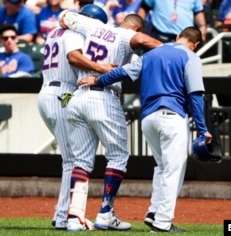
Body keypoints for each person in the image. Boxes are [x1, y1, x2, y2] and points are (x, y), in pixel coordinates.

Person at [78, 26, 213, 233]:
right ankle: (162, 223)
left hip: (148, 118)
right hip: (172, 116)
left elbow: (123, 72)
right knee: (173, 171)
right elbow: (195, 95)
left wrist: (97, 79)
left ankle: (153, 213)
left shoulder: (152, 53)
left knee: (161, 166)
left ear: (177, 37)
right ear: (195, 45)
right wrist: (203, 130)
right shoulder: (191, 56)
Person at [59, 10, 162, 231]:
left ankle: (74, 218)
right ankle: (105, 213)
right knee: (118, 156)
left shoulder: (95, 26)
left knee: (82, 162)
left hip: (77, 97)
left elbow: (64, 16)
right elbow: (143, 41)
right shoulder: (128, 35)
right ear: (136, 28)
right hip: (103, 96)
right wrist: (171, 49)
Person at [37, 5, 114, 230]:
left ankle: (62, 214)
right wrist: (102, 68)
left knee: (70, 157)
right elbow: (73, 58)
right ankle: (63, 216)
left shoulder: (54, 32)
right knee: (72, 159)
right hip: (60, 93)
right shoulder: (73, 33)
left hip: (50, 91)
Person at [137, 0, 207, 42]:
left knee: (180, 65)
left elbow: (198, 11)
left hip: (184, 37)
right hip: (159, 35)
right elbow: (144, 7)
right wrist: (138, 26)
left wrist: (202, 26)